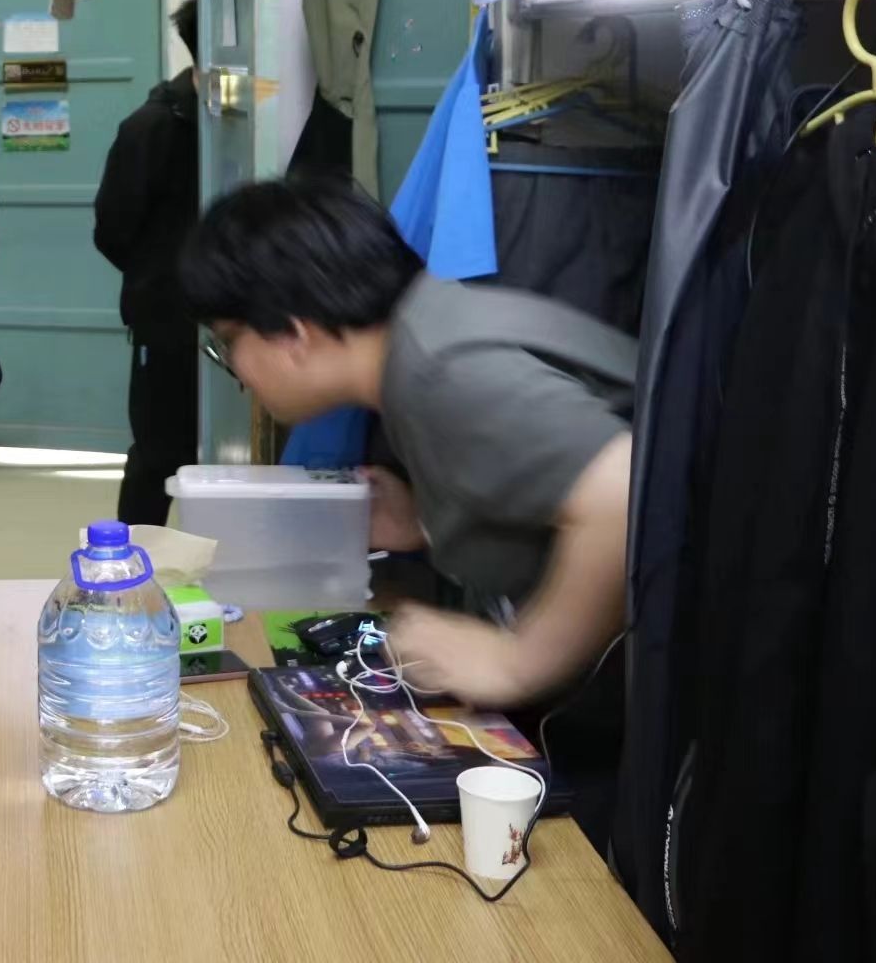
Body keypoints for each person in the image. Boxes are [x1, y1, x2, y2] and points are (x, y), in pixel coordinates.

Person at [178, 176, 634, 712]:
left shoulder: (440, 373)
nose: (237, 371)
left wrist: (519, 662)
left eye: (229, 342)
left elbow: (623, 491)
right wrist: (426, 520)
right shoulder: (424, 331)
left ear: (293, 335)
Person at [94, 0, 201, 525]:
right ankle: (132, 566)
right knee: (158, 454)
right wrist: (163, 280)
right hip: (166, 325)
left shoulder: (241, 123)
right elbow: (113, 231)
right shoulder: (152, 126)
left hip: (232, 325)